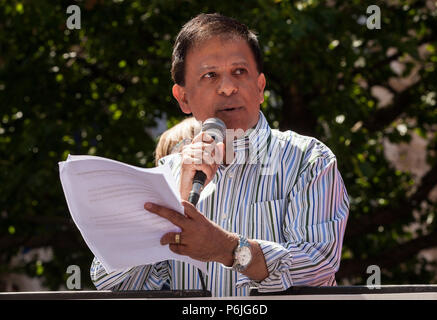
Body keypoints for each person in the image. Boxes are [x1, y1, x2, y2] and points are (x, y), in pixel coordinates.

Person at [91, 13, 349, 297]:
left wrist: (229, 250)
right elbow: (113, 283)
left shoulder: (308, 160)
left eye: (239, 71)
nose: (228, 87)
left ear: (260, 87)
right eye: (210, 75)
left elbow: (317, 266)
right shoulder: (168, 173)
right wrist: (177, 203)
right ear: (183, 98)